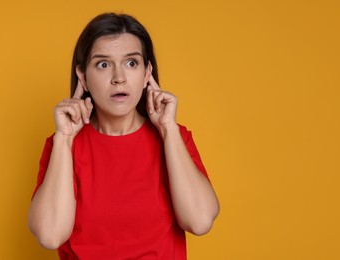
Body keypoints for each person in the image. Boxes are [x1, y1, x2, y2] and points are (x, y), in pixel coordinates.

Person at [28, 13, 220, 260]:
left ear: (147, 72)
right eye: (103, 64)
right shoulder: (63, 145)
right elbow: (50, 235)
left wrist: (168, 129)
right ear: (83, 76)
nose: (119, 77)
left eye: (131, 63)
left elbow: (200, 221)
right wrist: (64, 139)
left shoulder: (174, 137)